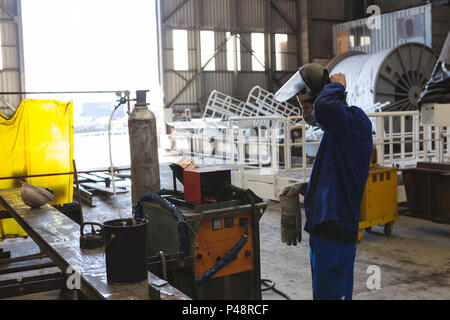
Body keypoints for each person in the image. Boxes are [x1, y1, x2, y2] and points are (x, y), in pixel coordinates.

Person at [275, 63, 373, 300]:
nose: (305, 114)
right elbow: (334, 177)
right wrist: (304, 189)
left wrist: (335, 86)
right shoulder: (336, 133)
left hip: (336, 231)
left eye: (308, 107)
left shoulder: (355, 124)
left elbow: (327, 106)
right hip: (324, 230)